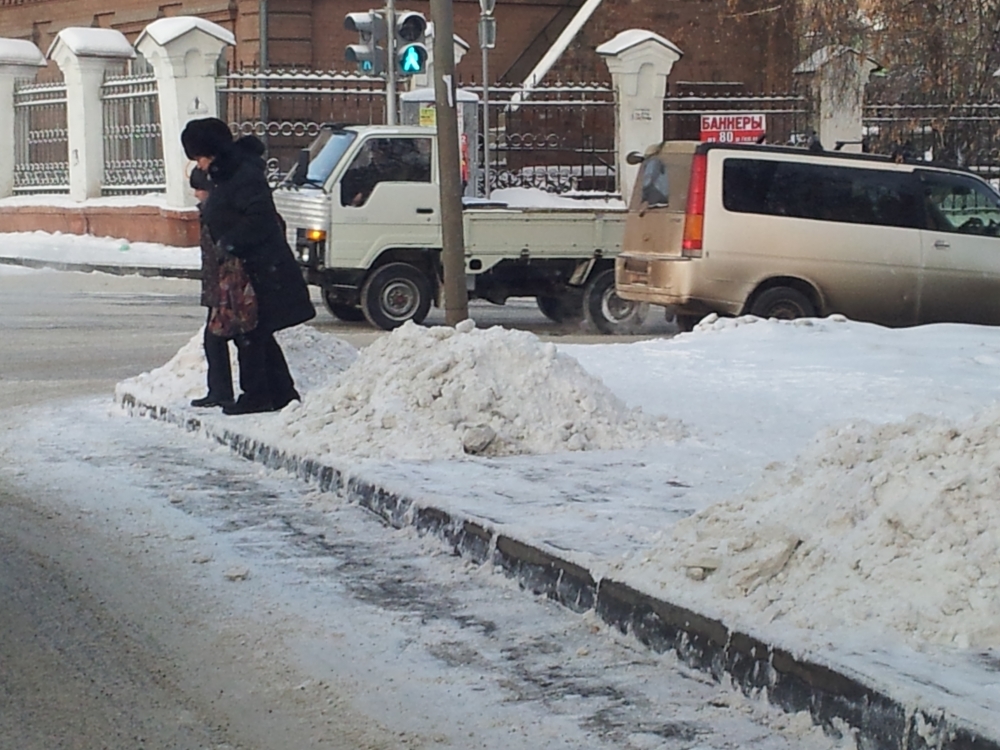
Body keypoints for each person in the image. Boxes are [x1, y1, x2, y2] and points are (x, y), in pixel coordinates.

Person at [181, 117, 316, 415]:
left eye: (200, 157)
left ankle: (257, 395)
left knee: (250, 333)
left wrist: (230, 242)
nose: (199, 165)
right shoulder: (228, 174)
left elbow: (261, 220)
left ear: (212, 151)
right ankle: (282, 394)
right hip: (248, 267)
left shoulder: (242, 175)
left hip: (259, 268)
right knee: (256, 333)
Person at [189, 166, 235, 408]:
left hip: (225, 286)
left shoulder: (217, 214)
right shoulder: (209, 212)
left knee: (216, 339)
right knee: (215, 339)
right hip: (217, 286)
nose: (196, 195)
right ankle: (219, 391)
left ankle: (221, 392)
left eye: (200, 189)